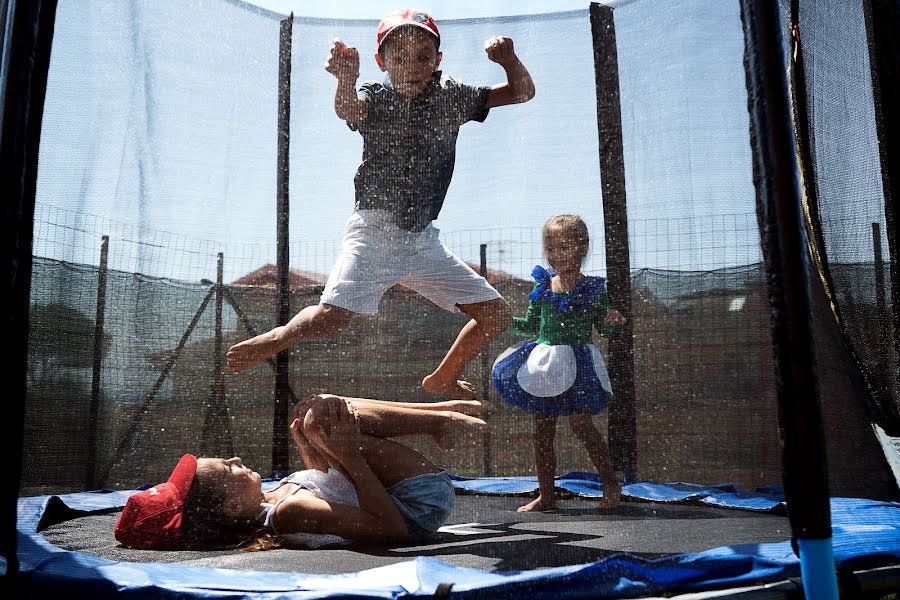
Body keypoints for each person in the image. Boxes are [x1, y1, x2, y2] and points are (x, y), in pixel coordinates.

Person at [226, 9, 535, 401]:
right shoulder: (377, 96)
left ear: (438, 60)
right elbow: (349, 110)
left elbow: (522, 92)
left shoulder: (453, 97)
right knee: (331, 319)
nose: (412, 67)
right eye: (399, 58)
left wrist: (509, 61)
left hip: (422, 240)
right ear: (382, 63)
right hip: (374, 231)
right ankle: (278, 336)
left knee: (497, 315)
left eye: (423, 56)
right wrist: (345, 80)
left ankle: (442, 378)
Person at [114, 394, 486, 550]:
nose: (237, 460)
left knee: (318, 410)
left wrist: (312, 447)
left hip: (399, 496)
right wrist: (348, 455)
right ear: (228, 509)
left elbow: (331, 486)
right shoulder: (288, 513)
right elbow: (390, 529)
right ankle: (438, 418)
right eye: (229, 470)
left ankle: (437, 414)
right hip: (417, 505)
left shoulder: (273, 501)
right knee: (322, 415)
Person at [491, 215, 627, 513]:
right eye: (550, 249)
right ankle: (547, 494)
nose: (556, 255)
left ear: (582, 248)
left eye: (563, 247)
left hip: (578, 364)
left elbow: (604, 329)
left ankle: (611, 484)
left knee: (581, 424)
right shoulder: (542, 287)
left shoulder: (593, 289)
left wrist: (613, 322)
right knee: (542, 428)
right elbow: (529, 325)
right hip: (545, 363)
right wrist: (503, 321)